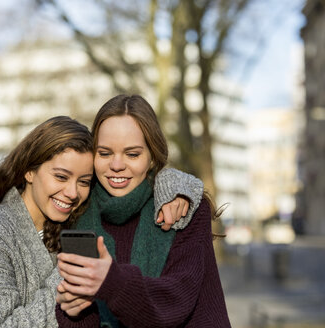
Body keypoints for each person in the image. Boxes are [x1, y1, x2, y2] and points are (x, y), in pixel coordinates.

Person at [0, 116, 202, 327]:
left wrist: (176, 188)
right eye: (60, 176)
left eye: (83, 182)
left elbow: (125, 175)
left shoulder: (65, 224)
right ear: (29, 171)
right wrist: (66, 285)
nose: (72, 192)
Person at [56, 95, 231, 327]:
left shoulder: (184, 209)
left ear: (151, 158)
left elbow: (177, 299)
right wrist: (72, 311)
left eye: (132, 154)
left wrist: (112, 282)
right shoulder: (76, 210)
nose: (117, 165)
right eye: (105, 153)